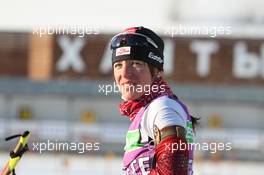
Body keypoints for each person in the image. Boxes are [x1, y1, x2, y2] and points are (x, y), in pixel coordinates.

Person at [110, 26, 197, 175]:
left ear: (155, 70)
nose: (124, 73)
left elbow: (174, 169)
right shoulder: (148, 109)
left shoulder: (162, 107)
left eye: (136, 64)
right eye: (118, 65)